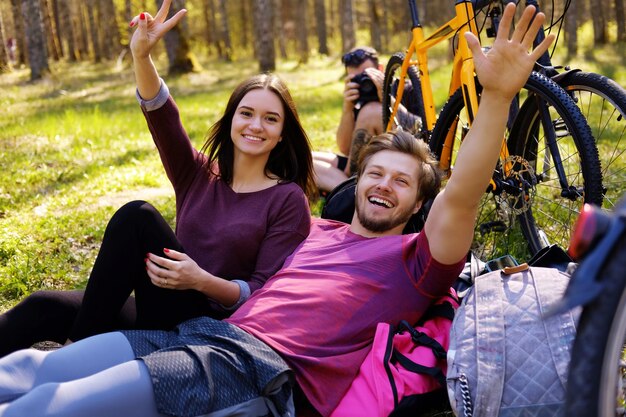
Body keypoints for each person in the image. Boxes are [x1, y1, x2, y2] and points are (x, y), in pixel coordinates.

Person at [0, 3, 554, 417]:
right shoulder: (318, 231)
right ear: (357, 183)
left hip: (256, 371)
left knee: (53, 404)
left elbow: (461, 195)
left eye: (402, 182)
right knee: (31, 368)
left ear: (417, 203)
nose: (384, 186)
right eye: (376, 174)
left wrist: (499, 98)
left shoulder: (416, 260)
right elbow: (169, 129)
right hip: (193, 335)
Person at [0, 0, 316, 357]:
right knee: (45, 306)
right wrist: (141, 57)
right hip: (161, 304)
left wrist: (201, 280)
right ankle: (77, 345)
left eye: (270, 119)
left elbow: (262, 291)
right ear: (231, 121)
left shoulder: (287, 199)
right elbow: (162, 116)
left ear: (282, 134)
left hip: (212, 327)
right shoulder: (198, 174)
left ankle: (73, 354)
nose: (256, 126)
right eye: (246, 113)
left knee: (138, 216)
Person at [313, 46, 422, 193]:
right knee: (305, 159)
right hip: (364, 163)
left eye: (367, 76)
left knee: (371, 111)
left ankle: (349, 189)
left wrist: (387, 99)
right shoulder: (358, 98)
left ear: (381, 69)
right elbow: (345, 148)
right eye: (356, 79)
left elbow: (424, 131)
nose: (364, 83)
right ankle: (347, 188)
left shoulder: (407, 88)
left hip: (396, 162)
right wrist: (347, 109)